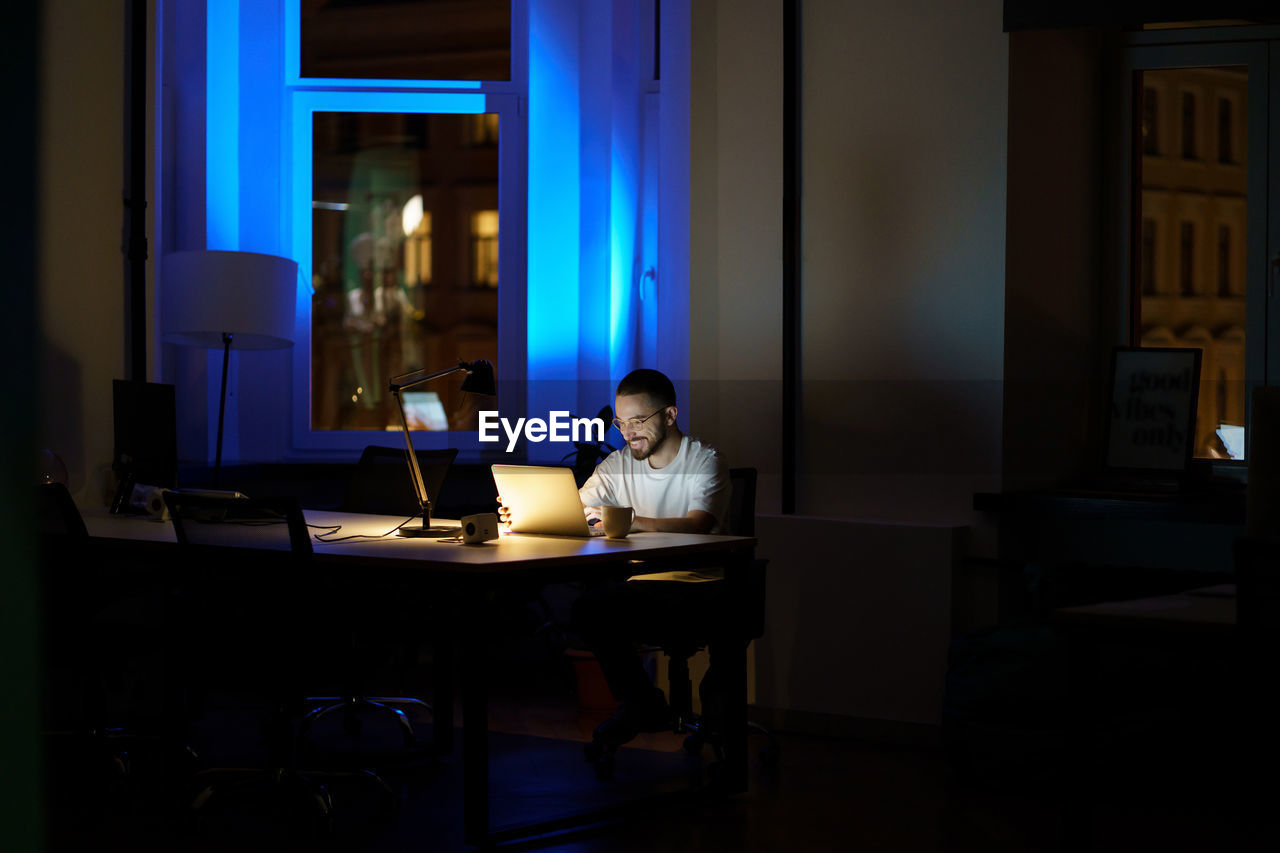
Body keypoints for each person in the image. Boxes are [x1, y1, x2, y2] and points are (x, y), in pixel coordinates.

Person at [503, 368, 732, 747]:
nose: (627, 433)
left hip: (700, 587)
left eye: (638, 421)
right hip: (643, 585)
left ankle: (672, 711)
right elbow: (574, 506)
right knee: (590, 609)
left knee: (601, 607)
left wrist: (631, 522)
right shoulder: (618, 465)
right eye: (621, 423)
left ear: (670, 416)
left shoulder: (705, 460)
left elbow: (700, 524)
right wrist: (524, 512)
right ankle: (644, 703)